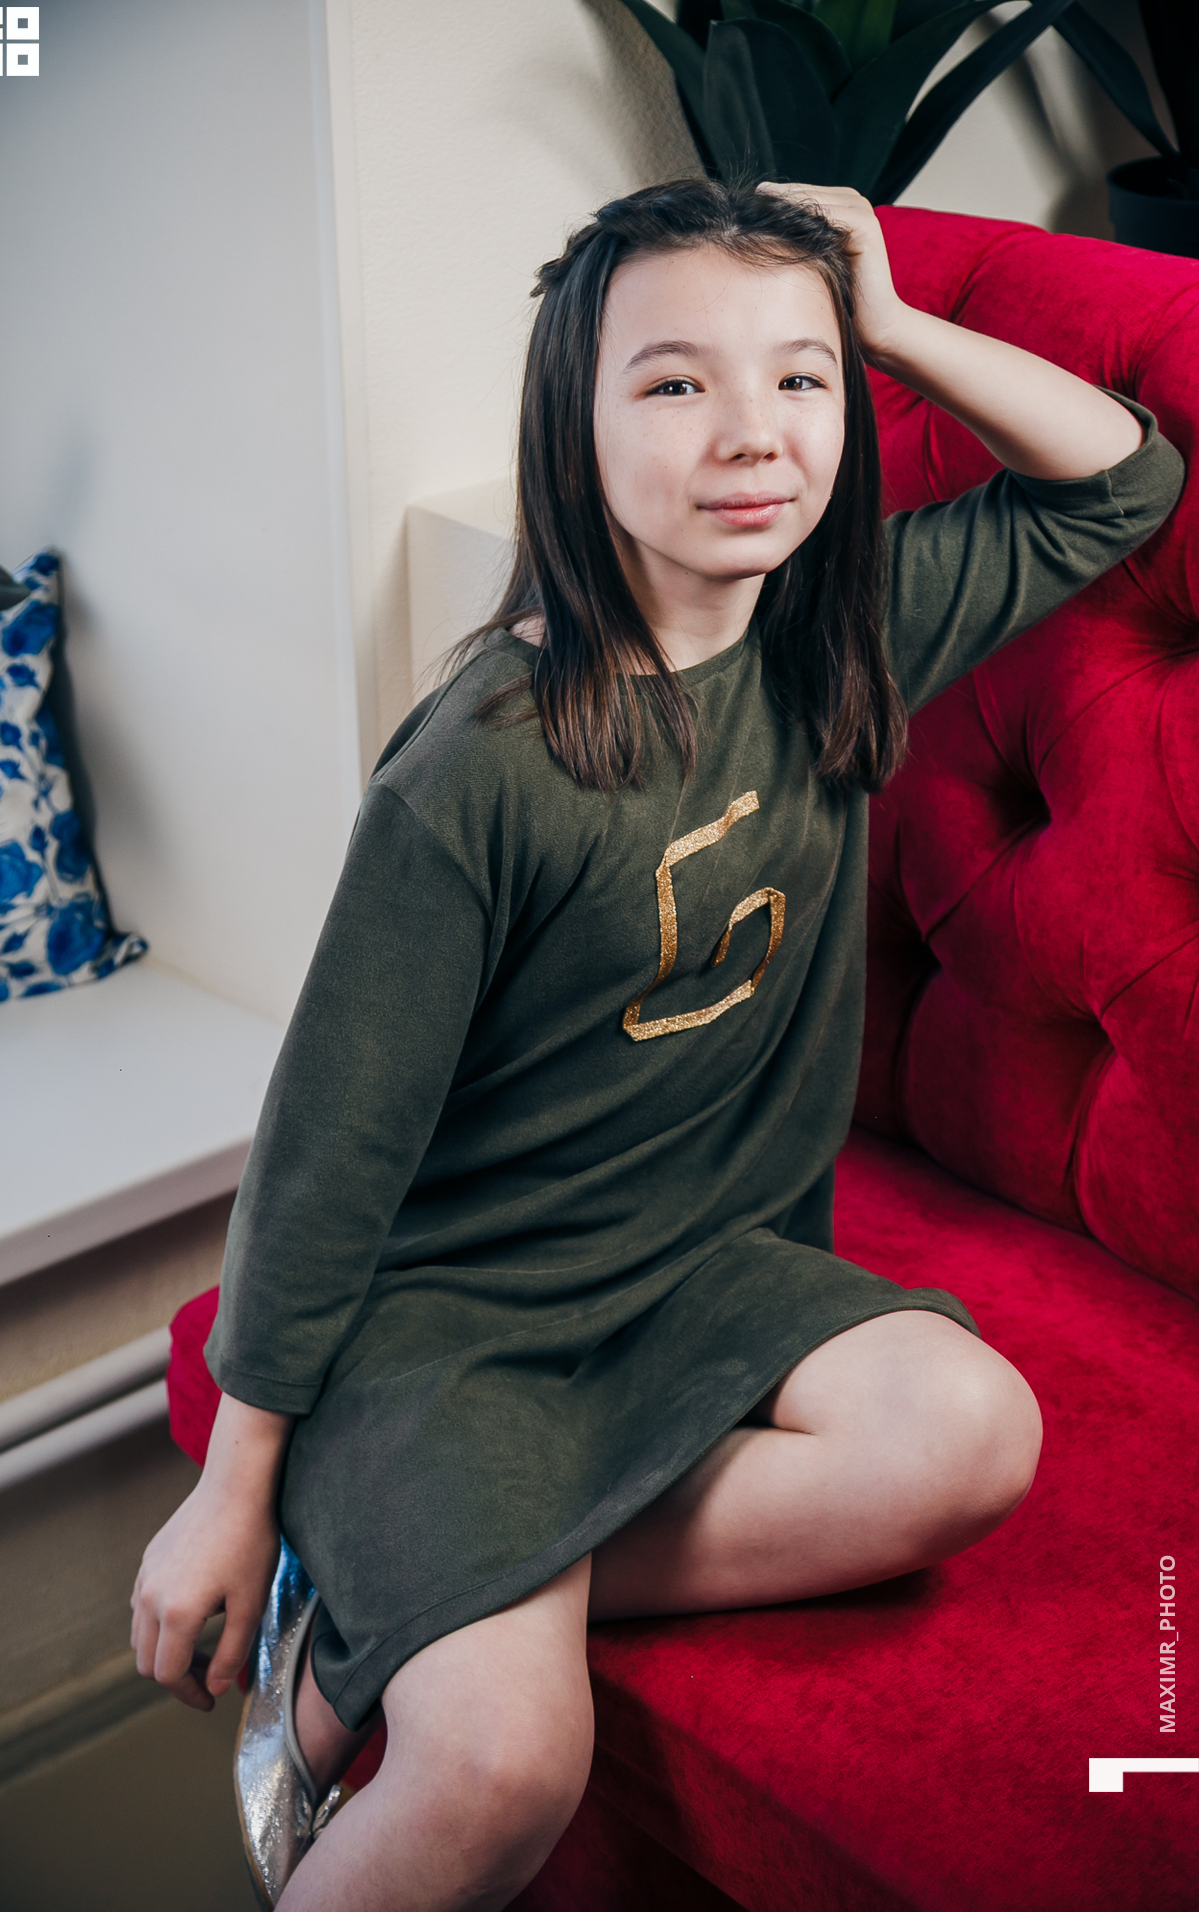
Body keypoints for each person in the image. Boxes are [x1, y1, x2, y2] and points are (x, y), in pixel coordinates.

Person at [130, 180, 1183, 1912]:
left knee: (970, 1431)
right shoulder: (480, 768)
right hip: (453, 1321)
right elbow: (329, 1150)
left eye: (801, 377)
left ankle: (397, 1594)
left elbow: (1126, 481)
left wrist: (892, 320)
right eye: (677, 383)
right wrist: (235, 1486)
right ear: (577, 426)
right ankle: (387, 1581)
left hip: (704, 1276)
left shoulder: (844, 637)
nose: (752, 432)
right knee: (503, 1764)